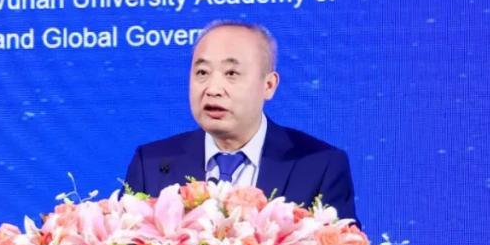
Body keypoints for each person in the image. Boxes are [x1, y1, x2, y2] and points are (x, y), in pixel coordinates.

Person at [124, 20, 357, 222]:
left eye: (231, 73)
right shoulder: (151, 164)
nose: (213, 89)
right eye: (202, 73)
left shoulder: (319, 165)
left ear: (268, 85)